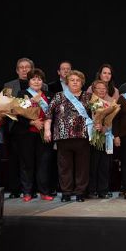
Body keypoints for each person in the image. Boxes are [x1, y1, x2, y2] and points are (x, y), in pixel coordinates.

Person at [44, 70, 92, 202]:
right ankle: (66, 192)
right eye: (72, 80)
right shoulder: (59, 96)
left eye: (78, 80)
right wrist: (47, 130)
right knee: (64, 166)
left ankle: (80, 192)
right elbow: (48, 115)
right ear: (67, 82)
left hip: (82, 136)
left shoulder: (88, 97)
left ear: (82, 82)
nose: (75, 82)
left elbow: (97, 114)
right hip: (63, 137)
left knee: (82, 167)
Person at [14, 69, 54, 201]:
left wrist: (46, 126)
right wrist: (32, 122)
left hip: (45, 133)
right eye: (33, 79)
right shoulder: (22, 94)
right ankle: (27, 192)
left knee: (44, 163)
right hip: (27, 133)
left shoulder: (48, 95)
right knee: (27, 163)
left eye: (39, 79)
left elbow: (53, 114)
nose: (37, 81)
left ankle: (44, 192)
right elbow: (17, 114)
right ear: (29, 81)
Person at [4, 57, 37, 199]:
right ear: (17, 70)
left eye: (27, 67)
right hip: (15, 129)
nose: (24, 69)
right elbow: (4, 107)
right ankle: (15, 189)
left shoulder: (41, 85)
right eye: (21, 67)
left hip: (34, 129)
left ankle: (31, 189)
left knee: (31, 161)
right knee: (15, 161)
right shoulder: (9, 85)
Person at [87, 80, 115, 199]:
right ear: (93, 90)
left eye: (104, 88)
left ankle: (103, 190)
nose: (102, 90)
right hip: (92, 138)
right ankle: (91, 190)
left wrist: (105, 127)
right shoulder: (88, 104)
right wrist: (94, 125)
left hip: (105, 137)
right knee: (92, 165)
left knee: (104, 165)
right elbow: (85, 119)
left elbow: (112, 121)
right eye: (99, 88)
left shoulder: (110, 105)